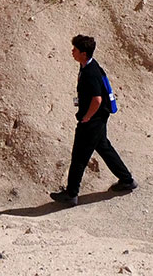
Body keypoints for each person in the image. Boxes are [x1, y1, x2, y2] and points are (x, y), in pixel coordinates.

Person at [49, 34, 135, 204]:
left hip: (92, 121)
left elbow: (97, 99)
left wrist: (86, 118)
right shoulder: (87, 67)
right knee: (104, 148)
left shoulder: (91, 72)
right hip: (98, 119)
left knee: (79, 156)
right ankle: (127, 180)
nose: (72, 52)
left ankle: (71, 194)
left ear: (84, 53)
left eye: (75, 49)